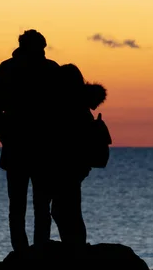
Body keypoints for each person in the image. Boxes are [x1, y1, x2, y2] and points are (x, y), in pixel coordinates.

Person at [0, 29, 61, 254]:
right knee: (32, 206)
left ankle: (29, 252)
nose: (44, 53)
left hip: (31, 148)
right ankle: (31, 252)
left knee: (26, 207)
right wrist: (5, 134)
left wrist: (5, 134)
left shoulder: (9, 69)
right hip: (32, 148)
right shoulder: (44, 70)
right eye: (41, 49)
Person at [33, 63, 107, 247]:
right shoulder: (79, 105)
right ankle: (75, 246)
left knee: (61, 210)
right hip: (76, 166)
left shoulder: (61, 104)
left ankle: (73, 247)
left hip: (64, 166)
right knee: (68, 209)